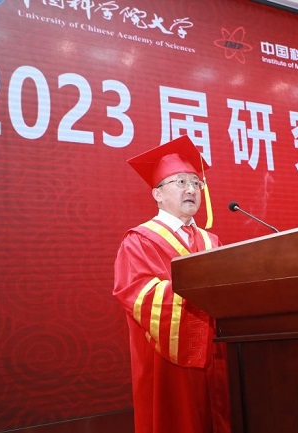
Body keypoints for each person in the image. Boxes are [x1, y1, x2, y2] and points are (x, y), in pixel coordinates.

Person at [113, 135, 231, 433]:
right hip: (168, 358)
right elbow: (137, 294)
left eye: (196, 183)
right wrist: (201, 293)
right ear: (157, 194)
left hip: (217, 355)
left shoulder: (211, 240)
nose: (191, 189)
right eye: (180, 182)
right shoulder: (139, 240)